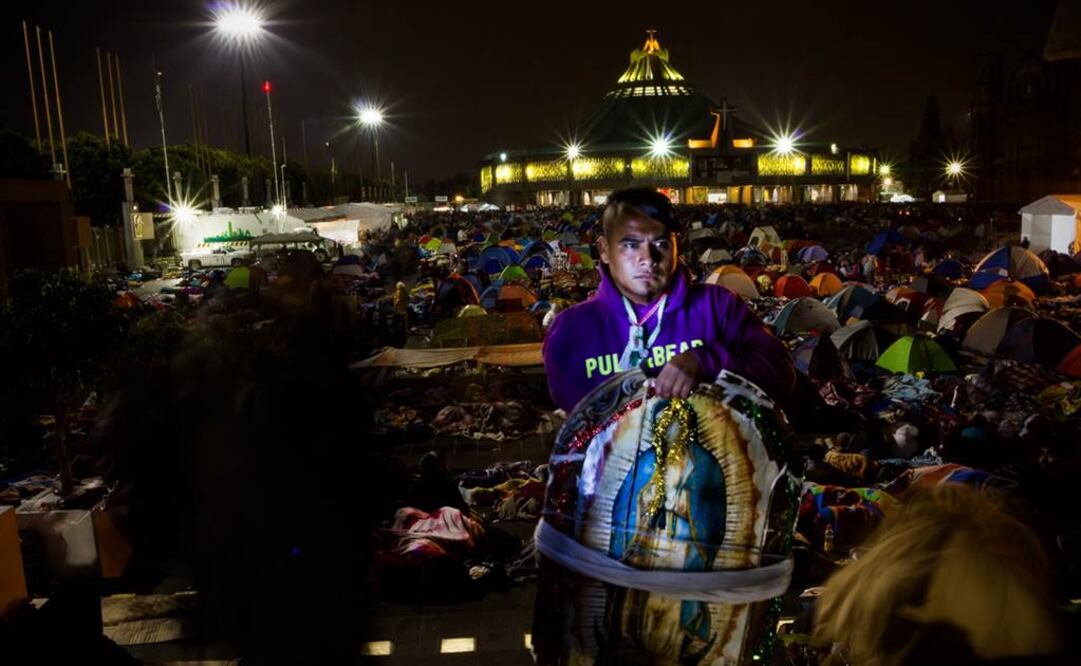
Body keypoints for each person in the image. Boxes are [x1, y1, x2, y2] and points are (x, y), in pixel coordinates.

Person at [543, 187, 794, 412]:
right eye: (630, 245)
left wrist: (706, 361)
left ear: (677, 247)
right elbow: (574, 419)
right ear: (604, 251)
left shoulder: (717, 306)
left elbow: (781, 374)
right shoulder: (571, 330)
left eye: (661, 243)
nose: (648, 258)